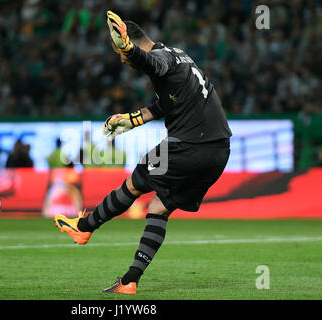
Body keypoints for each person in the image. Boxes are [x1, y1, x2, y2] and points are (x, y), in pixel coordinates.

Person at [54, 11, 232, 294]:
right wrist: (133, 118)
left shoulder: (159, 59)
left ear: (132, 41)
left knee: (135, 183)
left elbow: (150, 63)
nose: (122, 59)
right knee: (158, 207)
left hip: (189, 146)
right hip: (218, 152)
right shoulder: (179, 57)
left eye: (120, 52)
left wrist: (129, 49)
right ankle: (129, 281)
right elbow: (167, 104)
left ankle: (85, 226)